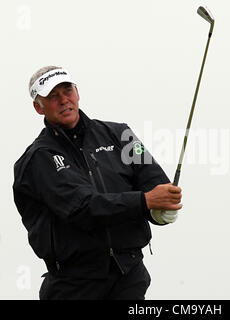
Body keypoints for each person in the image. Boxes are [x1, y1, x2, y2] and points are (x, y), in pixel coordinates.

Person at [12, 66, 183, 300]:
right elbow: (83, 208)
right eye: (53, 96)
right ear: (38, 107)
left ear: (77, 92)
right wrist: (145, 202)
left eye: (67, 90)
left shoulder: (122, 135)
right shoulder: (39, 158)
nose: (63, 100)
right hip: (74, 285)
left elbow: (155, 182)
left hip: (129, 276)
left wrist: (162, 208)